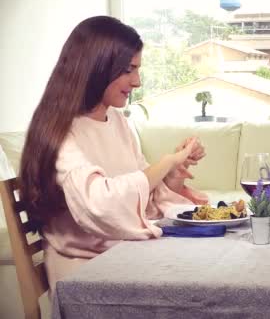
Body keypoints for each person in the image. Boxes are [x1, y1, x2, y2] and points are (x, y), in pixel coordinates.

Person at [18, 16, 208, 293]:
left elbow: (138, 200)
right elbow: (102, 204)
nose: (137, 81)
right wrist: (167, 161)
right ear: (97, 67)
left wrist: (172, 174)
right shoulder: (60, 133)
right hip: (87, 274)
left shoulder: (117, 121)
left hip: (125, 256)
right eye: (128, 70)